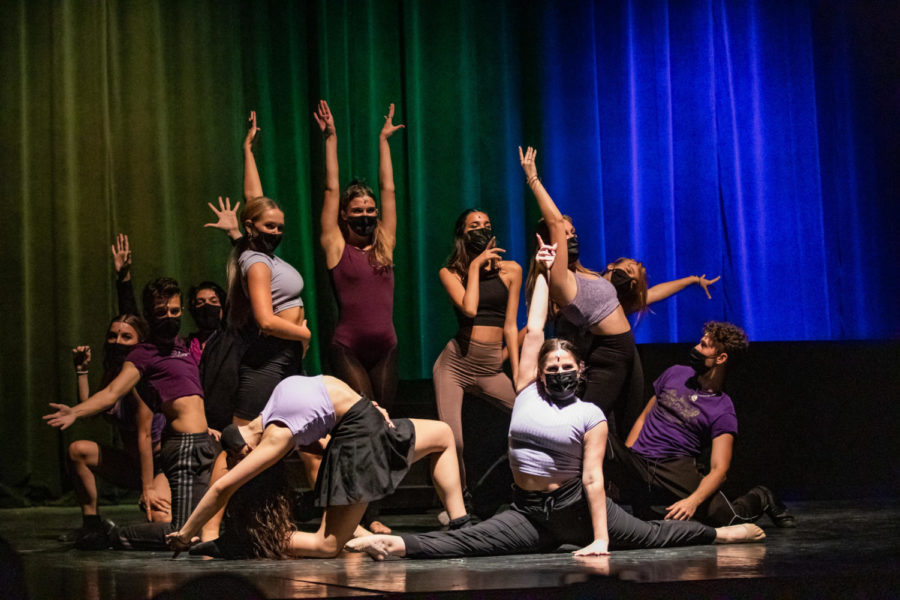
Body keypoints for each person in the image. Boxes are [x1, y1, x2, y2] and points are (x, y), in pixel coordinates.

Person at [346, 242, 764, 560]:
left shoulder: (590, 414)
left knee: (652, 534)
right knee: (470, 541)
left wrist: (600, 539)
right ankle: (392, 543)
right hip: (528, 512)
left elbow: (594, 480)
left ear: (581, 371)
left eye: (568, 366)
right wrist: (545, 272)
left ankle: (722, 534)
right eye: (553, 366)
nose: (560, 371)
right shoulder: (527, 388)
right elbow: (534, 329)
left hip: (577, 509)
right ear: (541, 371)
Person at [165, 374, 471, 559]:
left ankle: (460, 528)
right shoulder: (278, 395)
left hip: (362, 426)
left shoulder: (275, 437)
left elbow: (223, 485)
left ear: (246, 450)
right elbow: (322, 414)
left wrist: (185, 531)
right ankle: (461, 525)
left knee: (325, 545)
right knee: (442, 434)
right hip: (363, 420)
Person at [44, 277, 216, 550]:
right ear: (150, 316)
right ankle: (110, 534)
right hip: (179, 449)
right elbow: (111, 394)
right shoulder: (143, 355)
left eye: (175, 311)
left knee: (199, 527)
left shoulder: (183, 345)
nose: (170, 317)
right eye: (161, 312)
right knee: (182, 532)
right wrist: (75, 411)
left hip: (201, 445)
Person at [605, 321, 796, 528]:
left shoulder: (722, 409)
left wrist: (692, 501)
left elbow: (719, 469)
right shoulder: (675, 373)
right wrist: (630, 454)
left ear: (721, 358)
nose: (696, 348)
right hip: (641, 460)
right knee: (598, 436)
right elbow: (644, 417)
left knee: (729, 519)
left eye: (704, 346)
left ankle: (762, 497)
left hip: (676, 469)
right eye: (700, 342)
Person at [313, 100, 404, 534]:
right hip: (348, 347)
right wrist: (331, 140)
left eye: (371, 211)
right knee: (365, 423)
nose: (368, 215)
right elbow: (330, 192)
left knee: (383, 425)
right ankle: (358, 517)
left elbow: (389, 192)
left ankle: (374, 513)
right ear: (345, 216)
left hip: (385, 347)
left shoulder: (385, 243)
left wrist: (384, 143)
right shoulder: (335, 246)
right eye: (359, 211)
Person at [520, 146, 645, 440]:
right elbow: (552, 221)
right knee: (585, 424)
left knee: (615, 428)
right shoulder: (559, 279)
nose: (571, 235)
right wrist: (533, 179)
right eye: (565, 234)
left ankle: (607, 482)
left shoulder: (584, 275)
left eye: (573, 232)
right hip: (611, 355)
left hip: (625, 351)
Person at [226, 111, 311, 426]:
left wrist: (248, 151)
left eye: (280, 227)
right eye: (270, 226)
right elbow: (265, 320)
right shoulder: (258, 262)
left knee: (307, 440)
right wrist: (304, 332)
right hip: (268, 361)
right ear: (250, 227)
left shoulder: (258, 253)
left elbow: (254, 198)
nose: (276, 232)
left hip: (284, 357)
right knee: (243, 442)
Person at [433, 207, 522, 497]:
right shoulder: (450, 273)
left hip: (491, 369)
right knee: (453, 440)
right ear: (462, 235)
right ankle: (456, 502)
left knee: (527, 416)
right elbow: (469, 308)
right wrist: (474, 267)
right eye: (474, 226)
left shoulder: (511, 270)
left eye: (486, 224)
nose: (481, 229)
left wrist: (518, 373)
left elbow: (511, 326)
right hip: (455, 366)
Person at [62, 314, 171, 549]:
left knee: (160, 523)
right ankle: (92, 524)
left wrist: (148, 489)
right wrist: (82, 371)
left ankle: (117, 534)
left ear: (140, 342)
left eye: (126, 336)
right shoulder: (113, 374)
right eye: (112, 336)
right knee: (77, 451)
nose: (117, 341)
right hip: (133, 464)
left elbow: (144, 435)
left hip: (160, 466)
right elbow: (93, 412)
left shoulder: (141, 377)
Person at [186, 281, 225, 364]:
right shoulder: (185, 346)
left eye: (213, 301)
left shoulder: (232, 344)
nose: (207, 305)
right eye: (200, 302)